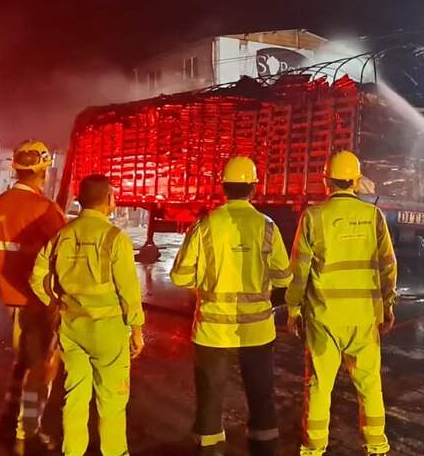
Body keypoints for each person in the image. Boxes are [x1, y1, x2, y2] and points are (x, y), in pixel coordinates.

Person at [170, 157, 292, 456]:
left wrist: (206, 279)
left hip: (212, 330)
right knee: (262, 397)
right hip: (257, 331)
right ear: (254, 187)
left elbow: (180, 276)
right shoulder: (267, 226)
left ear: (223, 187)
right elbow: (283, 276)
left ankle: (209, 449)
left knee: (210, 399)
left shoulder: (206, 225)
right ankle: (264, 448)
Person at [286, 150, 397, 456]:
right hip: (364, 318)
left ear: (326, 181)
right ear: (357, 181)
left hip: (324, 318)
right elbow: (388, 266)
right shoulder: (373, 217)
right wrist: (388, 306)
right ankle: (376, 445)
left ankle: (313, 447)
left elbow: (299, 271)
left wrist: (294, 309)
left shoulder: (313, 217)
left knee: (319, 385)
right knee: (370, 384)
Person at [29, 175, 144, 456]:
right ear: (108, 200)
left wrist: (55, 302)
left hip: (72, 328)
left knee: (75, 398)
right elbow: (128, 290)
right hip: (108, 331)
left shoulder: (63, 235)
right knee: (112, 402)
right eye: (113, 196)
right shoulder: (115, 238)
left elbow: (37, 277)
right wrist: (137, 329)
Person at [0, 140, 66, 451]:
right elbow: (64, 254)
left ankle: (9, 418)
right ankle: (26, 433)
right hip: (40, 301)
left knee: (23, 362)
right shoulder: (45, 210)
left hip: (14, 298)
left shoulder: (3, 202)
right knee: (41, 366)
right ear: (43, 170)